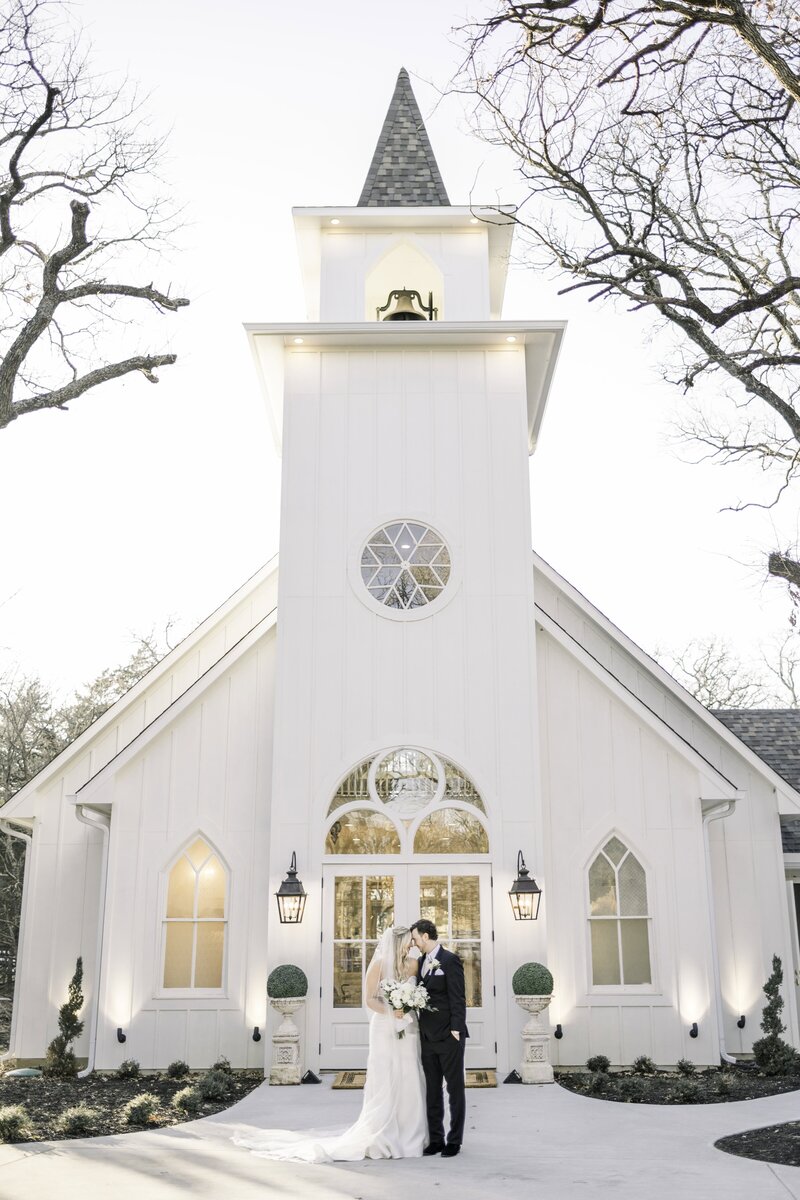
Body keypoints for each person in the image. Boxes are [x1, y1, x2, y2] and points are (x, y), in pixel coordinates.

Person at [232, 926, 427, 1162]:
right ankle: (384, 1134)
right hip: (385, 1028)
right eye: (407, 942)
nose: (411, 946)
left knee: (408, 1076)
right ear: (397, 943)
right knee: (385, 1078)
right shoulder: (379, 964)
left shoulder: (414, 964)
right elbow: (369, 1000)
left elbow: (419, 992)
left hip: (408, 1027)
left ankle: (410, 1135)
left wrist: (408, 1008)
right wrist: (392, 1011)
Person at [411, 918, 468, 1158]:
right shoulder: (421, 962)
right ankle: (436, 1139)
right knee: (432, 1089)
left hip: (449, 1035)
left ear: (425, 936)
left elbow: (458, 997)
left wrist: (456, 1028)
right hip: (427, 1037)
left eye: (415, 938)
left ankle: (454, 1141)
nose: (414, 943)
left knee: (454, 1089)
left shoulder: (450, 960)